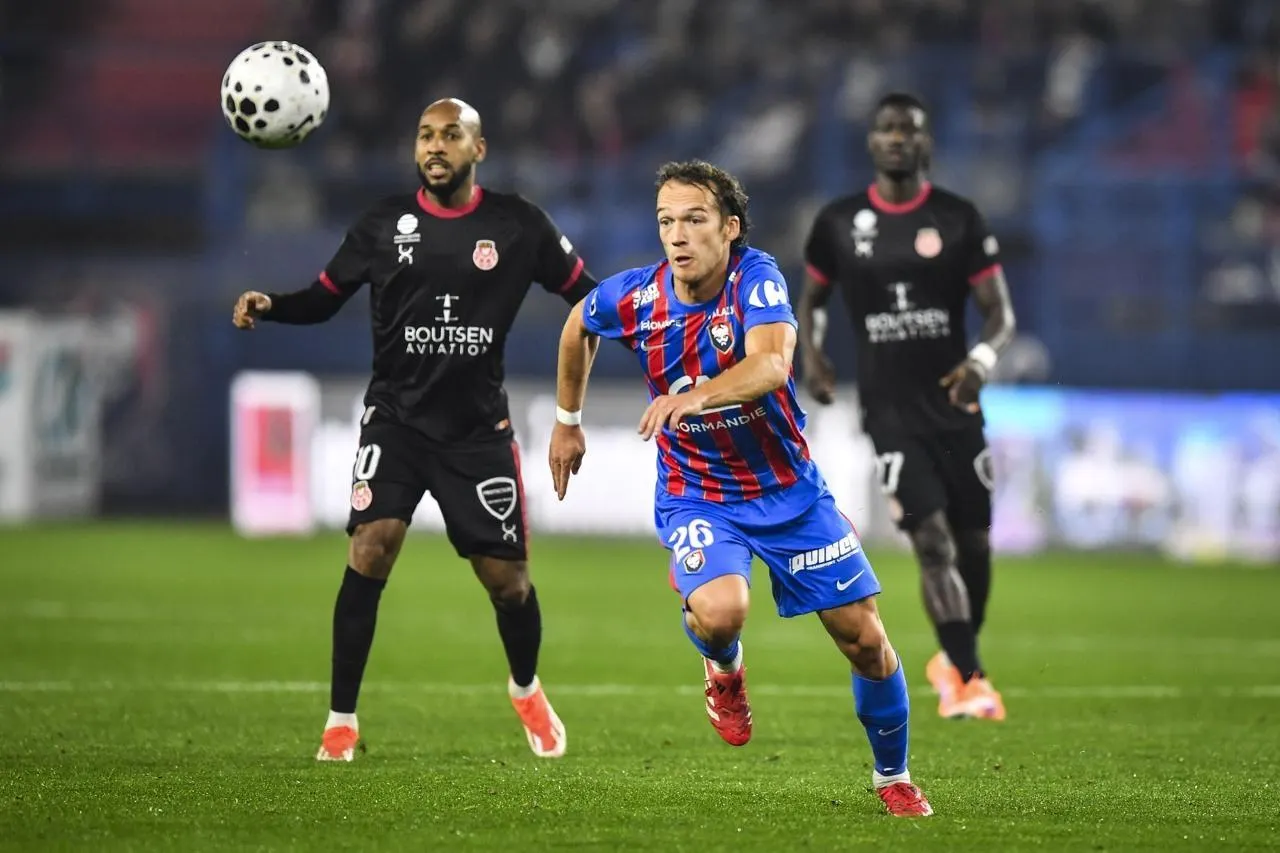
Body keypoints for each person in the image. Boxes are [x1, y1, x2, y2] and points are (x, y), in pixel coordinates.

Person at [548, 159, 932, 818]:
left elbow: (771, 364)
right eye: (666, 221)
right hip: (698, 491)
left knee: (866, 639)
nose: (678, 235)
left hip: (789, 493)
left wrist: (696, 395)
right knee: (721, 610)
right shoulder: (636, 297)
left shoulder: (756, 279)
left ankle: (892, 775)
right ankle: (723, 667)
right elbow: (578, 324)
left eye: (694, 219)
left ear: (729, 227)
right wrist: (567, 420)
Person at [232, 98, 595, 761]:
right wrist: (273, 305)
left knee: (509, 583)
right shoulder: (383, 224)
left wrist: (643, 337)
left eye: (451, 135)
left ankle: (525, 688)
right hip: (395, 421)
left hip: (477, 432)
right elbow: (324, 297)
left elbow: (591, 302)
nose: (435, 146)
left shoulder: (518, 225)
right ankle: (340, 720)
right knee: (370, 547)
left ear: (478, 149)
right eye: (425, 135)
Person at [798, 92, 1017, 721]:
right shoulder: (839, 222)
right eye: (887, 129)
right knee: (932, 541)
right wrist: (814, 356)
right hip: (889, 411)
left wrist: (980, 363)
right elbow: (812, 300)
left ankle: (954, 658)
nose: (897, 138)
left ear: (926, 143)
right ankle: (969, 679)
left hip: (955, 401)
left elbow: (1000, 315)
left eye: (909, 130)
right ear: (872, 141)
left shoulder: (958, 218)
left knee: (974, 544)